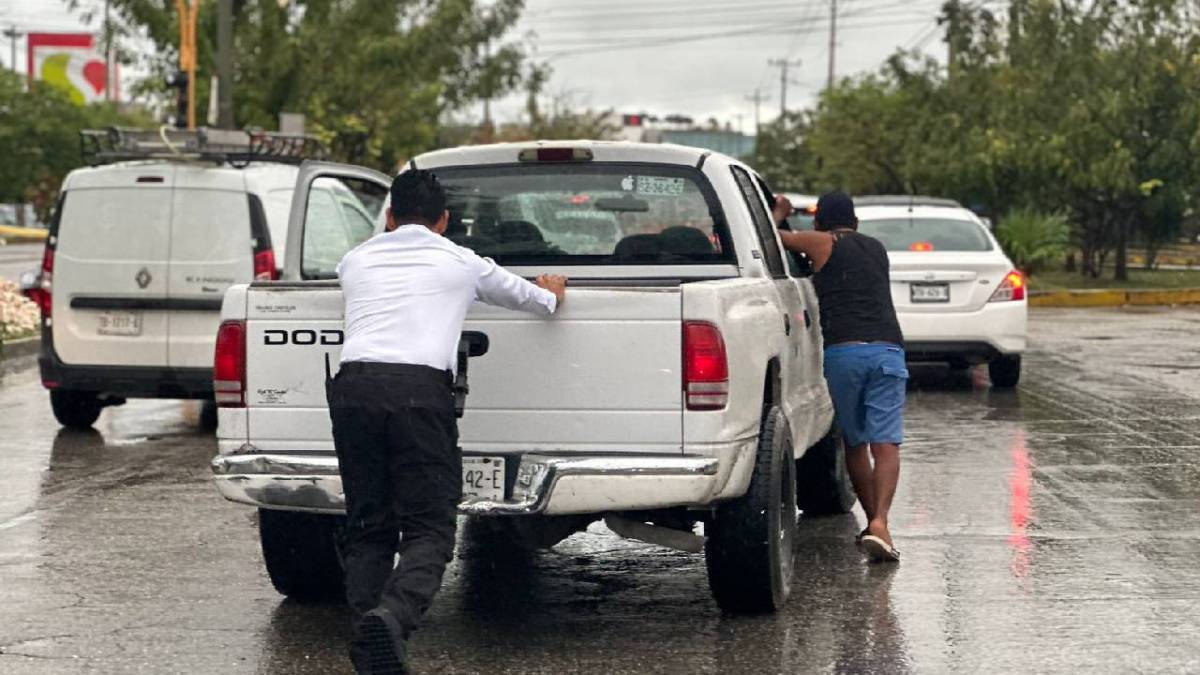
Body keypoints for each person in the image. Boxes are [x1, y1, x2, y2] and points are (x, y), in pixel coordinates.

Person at [330, 169, 567, 673]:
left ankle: (369, 633)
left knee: (369, 522)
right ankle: (392, 618)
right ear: (444, 221)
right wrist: (550, 289)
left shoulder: (356, 258)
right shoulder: (461, 261)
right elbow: (535, 301)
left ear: (389, 217)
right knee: (430, 528)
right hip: (417, 393)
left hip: (353, 388)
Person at [774, 191, 906, 563]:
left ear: (819, 222)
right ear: (856, 222)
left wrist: (780, 213)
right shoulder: (876, 247)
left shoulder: (822, 241)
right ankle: (879, 523)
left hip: (845, 353)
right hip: (888, 350)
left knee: (855, 443)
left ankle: (876, 523)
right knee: (887, 443)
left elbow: (772, 236)